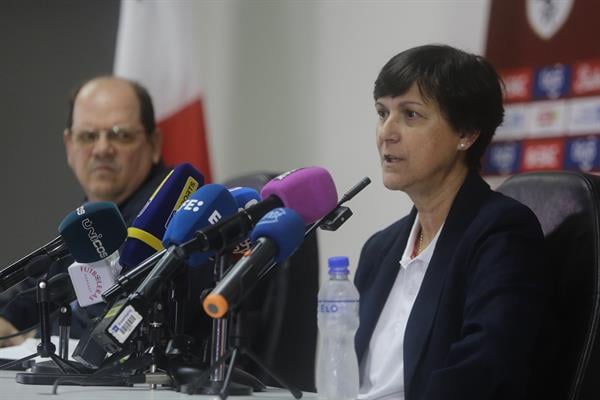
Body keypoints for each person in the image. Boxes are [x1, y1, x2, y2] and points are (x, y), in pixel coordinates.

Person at [354, 44, 552, 400]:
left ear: (466, 133)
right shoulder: (379, 249)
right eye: (382, 113)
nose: (387, 131)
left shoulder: (501, 233)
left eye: (410, 115)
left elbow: (484, 368)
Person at [0, 76, 170, 347]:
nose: (102, 149)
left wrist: (25, 336)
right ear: (69, 146)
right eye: (88, 136)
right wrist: (7, 319)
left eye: (120, 135)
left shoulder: (164, 213)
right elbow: (46, 285)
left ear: (154, 144)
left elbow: (109, 320)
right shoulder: (95, 218)